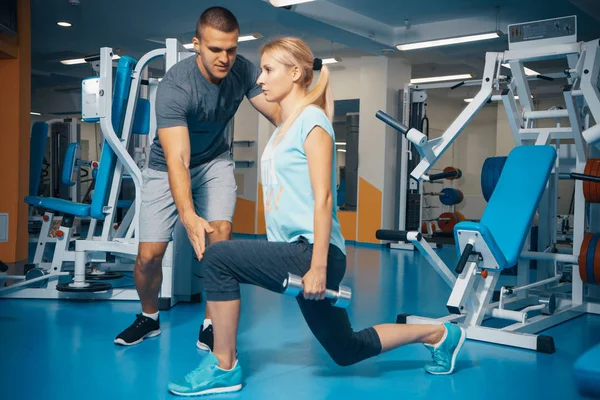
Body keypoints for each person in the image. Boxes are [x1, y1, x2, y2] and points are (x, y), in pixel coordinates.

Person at [166, 37, 467, 397]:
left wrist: (319, 265)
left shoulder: (313, 122)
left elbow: (325, 199)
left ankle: (223, 365)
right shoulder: (283, 127)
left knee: (218, 258)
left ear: (295, 73)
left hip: (312, 252)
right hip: (295, 251)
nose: (259, 80)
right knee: (346, 350)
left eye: (267, 70)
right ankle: (439, 334)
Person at [114, 7, 279, 349]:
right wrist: (188, 216)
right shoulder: (176, 85)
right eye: (215, 49)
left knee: (220, 240)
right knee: (149, 256)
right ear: (196, 45)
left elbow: (278, 113)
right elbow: (178, 158)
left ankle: (211, 321)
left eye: (231, 49)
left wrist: (309, 121)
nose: (225, 58)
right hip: (165, 167)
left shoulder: (243, 71)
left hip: (215, 160)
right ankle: (149, 317)